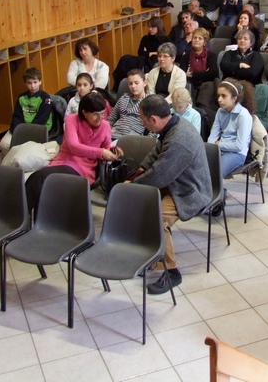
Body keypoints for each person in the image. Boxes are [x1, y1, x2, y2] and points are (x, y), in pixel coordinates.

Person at [131, 95, 213, 294]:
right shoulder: (171, 124)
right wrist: (137, 173)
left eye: (143, 119)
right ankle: (153, 255)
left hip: (190, 191)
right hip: (176, 183)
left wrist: (133, 185)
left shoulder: (179, 139)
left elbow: (160, 175)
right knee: (141, 205)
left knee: (156, 218)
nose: (143, 123)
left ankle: (171, 271)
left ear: (154, 120)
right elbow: (156, 154)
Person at [25, 94, 116, 218]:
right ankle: (28, 220)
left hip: (83, 168)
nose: (100, 118)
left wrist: (111, 150)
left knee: (41, 178)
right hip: (64, 161)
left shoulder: (105, 126)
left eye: (102, 114)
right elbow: (74, 146)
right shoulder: (72, 119)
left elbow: (105, 147)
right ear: (84, 112)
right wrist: (101, 152)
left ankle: (22, 219)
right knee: (40, 181)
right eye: (95, 114)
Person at [0, 67, 53, 154]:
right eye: (29, 83)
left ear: (40, 81)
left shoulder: (45, 98)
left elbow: (41, 119)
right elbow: (17, 117)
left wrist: (26, 133)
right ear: (25, 83)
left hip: (38, 129)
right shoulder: (21, 97)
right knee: (4, 144)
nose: (32, 86)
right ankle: (12, 164)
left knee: (26, 149)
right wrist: (18, 131)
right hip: (22, 129)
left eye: (35, 82)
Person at [209, 79, 255, 177]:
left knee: (215, 174)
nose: (219, 99)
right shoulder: (220, 111)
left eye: (224, 96)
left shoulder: (243, 116)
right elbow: (212, 136)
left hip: (237, 154)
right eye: (219, 95)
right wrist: (212, 146)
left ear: (234, 99)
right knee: (197, 167)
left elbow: (239, 146)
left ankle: (218, 192)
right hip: (219, 149)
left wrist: (219, 144)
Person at [180, 27, 219, 113]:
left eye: (200, 38)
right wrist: (204, 73)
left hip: (206, 86)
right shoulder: (186, 56)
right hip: (191, 85)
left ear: (204, 42)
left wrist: (192, 74)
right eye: (195, 38)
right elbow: (182, 74)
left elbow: (213, 74)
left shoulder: (211, 56)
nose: (196, 40)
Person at [107, 69, 150, 138]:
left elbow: (155, 127)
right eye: (130, 83)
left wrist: (147, 141)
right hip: (114, 133)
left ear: (144, 83)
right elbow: (111, 119)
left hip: (131, 137)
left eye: (136, 83)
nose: (133, 86)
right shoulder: (123, 98)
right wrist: (105, 133)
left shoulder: (150, 101)